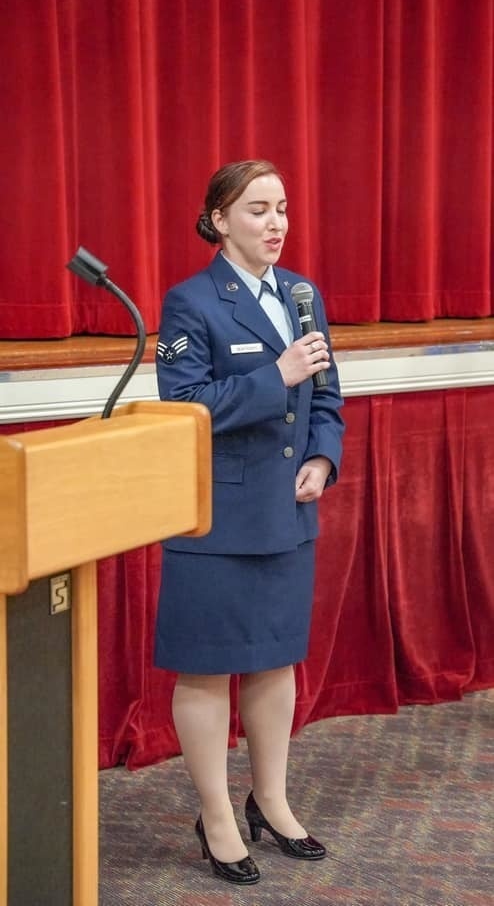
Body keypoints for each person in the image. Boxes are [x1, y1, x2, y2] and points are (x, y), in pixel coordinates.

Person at [154, 159, 345, 885]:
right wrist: (278, 377)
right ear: (219, 219)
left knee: (274, 659)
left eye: (283, 209)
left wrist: (323, 460)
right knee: (205, 670)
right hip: (214, 518)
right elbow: (187, 405)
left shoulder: (302, 294)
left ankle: (270, 800)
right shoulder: (190, 303)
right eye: (259, 210)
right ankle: (218, 817)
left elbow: (329, 395)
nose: (276, 224)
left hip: (287, 513)